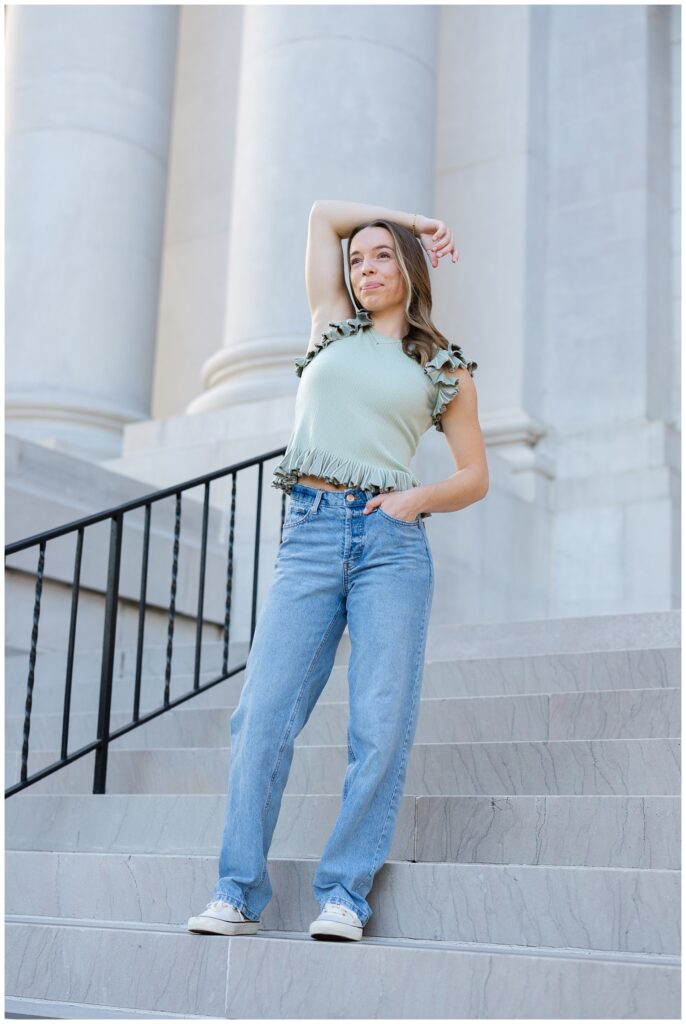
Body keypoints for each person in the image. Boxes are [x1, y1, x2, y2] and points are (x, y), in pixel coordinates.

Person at [188, 199, 489, 942]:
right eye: (358, 261)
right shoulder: (329, 325)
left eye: (383, 256)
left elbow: (474, 475)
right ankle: (237, 891)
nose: (364, 270)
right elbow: (322, 214)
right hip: (312, 536)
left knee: (379, 724)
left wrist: (417, 498)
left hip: (391, 544)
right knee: (262, 715)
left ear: (410, 272)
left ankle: (345, 894)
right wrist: (412, 220)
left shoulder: (440, 364)